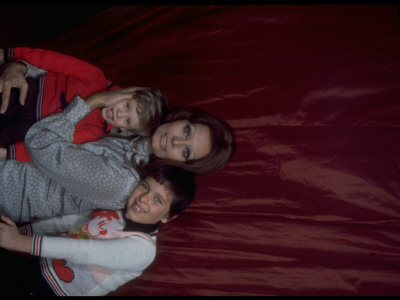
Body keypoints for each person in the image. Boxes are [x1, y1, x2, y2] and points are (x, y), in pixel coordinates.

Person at [0, 160, 196, 296]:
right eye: (145, 187)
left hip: (53, 291)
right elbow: (70, 224)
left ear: (168, 216)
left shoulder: (143, 250)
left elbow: (84, 251)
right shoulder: (114, 210)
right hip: (38, 264)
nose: (144, 198)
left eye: (158, 199)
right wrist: (23, 232)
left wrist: (20, 242)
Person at [0, 47, 168, 161]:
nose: (119, 114)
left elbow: (48, 148)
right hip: (29, 92)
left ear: (125, 130)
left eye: (127, 121)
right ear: (128, 92)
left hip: (30, 129)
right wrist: (10, 53)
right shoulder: (95, 77)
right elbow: (52, 60)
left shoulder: (92, 132)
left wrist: (8, 154)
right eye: (127, 106)